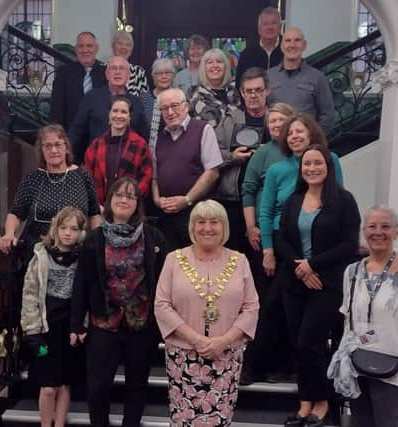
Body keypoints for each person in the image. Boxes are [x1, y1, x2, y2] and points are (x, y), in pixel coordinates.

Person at [70, 177, 168, 427]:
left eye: (131, 196)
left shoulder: (154, 237)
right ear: (109, 201)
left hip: (141, 325)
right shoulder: (93, 239)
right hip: (103, 324)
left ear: (138, 204)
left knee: (137, 385)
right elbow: (81, 284)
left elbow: (165, 281)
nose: (124, 200)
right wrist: (75, 325)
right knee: (98, 387)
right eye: (119, 195)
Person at [275, 144, 360, 426]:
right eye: (307, 164)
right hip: (295, 282)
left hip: (329, 284)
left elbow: (348, 245)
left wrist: (314, 265)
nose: (312, 168)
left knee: (310, 342)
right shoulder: (293, 200)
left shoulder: (344, 201)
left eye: (318, 163)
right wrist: (301, 267)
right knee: (298, 345)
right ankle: (304, 403)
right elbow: (282, 240)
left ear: (329, 166)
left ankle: (322, 401)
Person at [328, 207, 398, 427]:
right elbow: (349, 320)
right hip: (357, 366)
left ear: (396, 232)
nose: (378, 232)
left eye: (386, 226)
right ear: (364, 232)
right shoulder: (352, 272)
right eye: (372, 226)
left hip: (394, 372)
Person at [154, 199, 259, 426]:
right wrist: (196, 339)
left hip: (226, 356)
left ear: (224, 227)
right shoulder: (174, 259)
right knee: (185, 421)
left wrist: (224, 340)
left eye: (214, 222)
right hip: (183, 356)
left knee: (218, 421)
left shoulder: (239, 261)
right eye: (201, 222)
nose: (207, 228)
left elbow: (251, 307)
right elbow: (162, 304)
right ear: (192, 227)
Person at [239, 102, 296, 384]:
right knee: (263, 303)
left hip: (295, 242)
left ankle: (282, 365)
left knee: (286, 304)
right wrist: (251, 227)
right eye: (271, 121)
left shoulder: (301, 153)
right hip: (264, 238)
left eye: (281, 121)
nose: (275, 126)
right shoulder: (262, 153)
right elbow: (248, 190)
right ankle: (254, 364)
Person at [21, 207, 86, 427]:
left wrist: (83, 325)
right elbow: (30, 293)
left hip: (70, 329)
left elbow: (87, 294)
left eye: (74, 229)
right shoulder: (41, 255)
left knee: (65, 383)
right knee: (48, 386)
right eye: (64, 227)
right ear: (55, 228)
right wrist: (32, 330)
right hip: (45, 330)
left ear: (81, 232)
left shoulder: (82, 257)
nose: (68, 233)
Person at [259, 113, 343, 281]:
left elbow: (339, 201)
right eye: (289, 133)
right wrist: (268, 250)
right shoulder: (275, 170)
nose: (294, 136)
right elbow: (266, 213)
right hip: (284, 242)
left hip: (321, 236)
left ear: (311, 133)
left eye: (299, 131)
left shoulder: (331, 159)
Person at [0, 124, 101, 257]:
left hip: (76, 254)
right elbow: (15, 213)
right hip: (38, 253)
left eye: (58, 144)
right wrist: (9, 234)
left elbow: (94, 214)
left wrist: (98, 241)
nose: (53, 150)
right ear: (41, 150)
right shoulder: (32, 179)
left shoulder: (83, 176)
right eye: (48, 146)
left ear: (66, 148)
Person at [188, 48, 248, 250]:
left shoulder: (238, 93)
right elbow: (199, 144)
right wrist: (231, 156)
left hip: (240, 180)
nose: (214, 66)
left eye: (219, 62)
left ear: (227, 66)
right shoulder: (195, 96)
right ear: (203, 68)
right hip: (211, 182)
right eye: (209, 62)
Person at [152, 88, 223, 251]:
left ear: (186, 106)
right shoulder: (158, 138)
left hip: (197, 214)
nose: (170, 112)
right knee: (172, 265)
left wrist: (187, 200)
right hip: (167, 216)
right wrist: (157, 199)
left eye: (175, 105)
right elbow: (154, 177)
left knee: (198, 264)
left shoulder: (203, 129)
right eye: (164, 108)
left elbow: (212, 172)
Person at [68, 56, 149, 163]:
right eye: (113, 68)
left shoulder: (136, 102)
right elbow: (77, 131)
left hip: (128, 164)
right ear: (106, 74)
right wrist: (67, 157)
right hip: (96, 162)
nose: (117, 72)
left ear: (128, 76)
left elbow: (143, 135)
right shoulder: (92, 97)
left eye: (121, 68)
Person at [83, 95, 153, 205]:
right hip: (100, 209)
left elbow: (146, 177)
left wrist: (131, 199)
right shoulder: (95, 145)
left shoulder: (140, 144)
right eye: (115, 111)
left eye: (123, 112)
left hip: (129, 209)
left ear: (130, 117)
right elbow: (86, 178)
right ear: (109, 114)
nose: (118, 116)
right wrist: (95, 206)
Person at [268, 28, 335, 135]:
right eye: (288, 41)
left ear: (304, 45)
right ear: (281, 46)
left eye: (297, 40)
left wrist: (313, 138)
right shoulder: (269, 76)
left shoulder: (317, 77)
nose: (292, 45)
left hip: (305, 145)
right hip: (276, 143)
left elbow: (328, 115)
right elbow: (263, 111)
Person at [50, 31, 107, 130]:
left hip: (100, 135)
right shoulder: (64, 73)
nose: (85, 50)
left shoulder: (106, 73)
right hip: (71, 134)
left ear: (96, 49)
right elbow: (57, 109)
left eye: (89, 46)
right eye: (81, 46)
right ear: (76, 50)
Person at [235, 6, 284, 89]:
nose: (270, 27)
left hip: (281, 101)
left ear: (280, 27)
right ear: (259, 29)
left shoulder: (287, 52)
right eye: (265, 24)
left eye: (274, 23)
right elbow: (239, 85)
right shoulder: (247, 54)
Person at [139, 57, 175, 151]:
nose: (164, 76)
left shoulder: (179, 98)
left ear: (173, 76)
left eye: (167, 73)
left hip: (174, 150)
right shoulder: (144, 98)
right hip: (147, 151)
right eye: (159, 73)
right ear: (153, 76)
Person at [112, 30, 149, 96]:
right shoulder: (103, 69)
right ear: (113, 46)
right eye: (120, 43)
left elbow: (147, 102)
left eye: (128, 45)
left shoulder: (139, 72)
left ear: (131, 49)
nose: (123, 47)